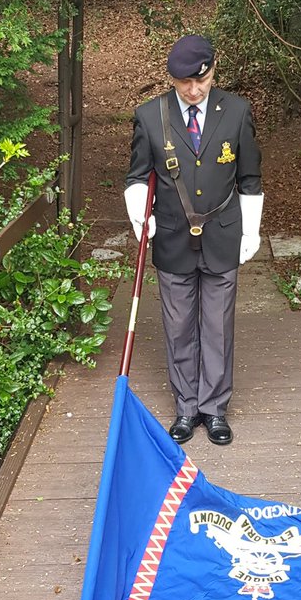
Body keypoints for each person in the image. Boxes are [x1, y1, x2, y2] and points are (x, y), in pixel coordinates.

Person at [124, 34, 264, 447]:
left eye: (201, 80)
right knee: (179, 325)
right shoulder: (151, 116)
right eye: (185, 82)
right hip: (171, 236)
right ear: (172, 79)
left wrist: (251, 228)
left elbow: (249, 177)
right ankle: (186, 406)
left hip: (222, 233)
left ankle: (214, 408)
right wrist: (139, 215)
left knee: (218, 326)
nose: (194, 89)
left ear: (213, 71)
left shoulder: (237, 111)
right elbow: (137, 175)